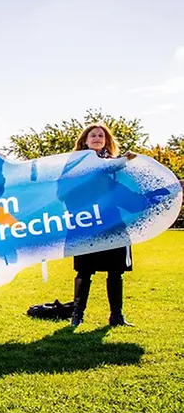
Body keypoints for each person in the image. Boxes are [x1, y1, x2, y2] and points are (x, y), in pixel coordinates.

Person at [69, 123, 136, 328]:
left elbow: (124, 191)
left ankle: (116, 316)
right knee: (85, 271)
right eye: (93, 135)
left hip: (112, 223)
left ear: (106, 140)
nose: (97, 138)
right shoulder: (75, 166)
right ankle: (77, 315)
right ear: (85, 140)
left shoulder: (116, 166)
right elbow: (66, 193)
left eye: (101, 135)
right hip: (87, 224)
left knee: (115, 271)